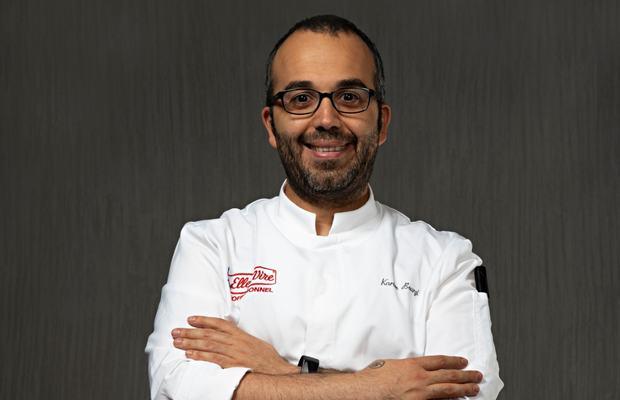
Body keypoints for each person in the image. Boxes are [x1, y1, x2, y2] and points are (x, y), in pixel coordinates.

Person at [145, 15, 503, 400]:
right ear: (271, 125)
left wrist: (282, 371)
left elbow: (467, 395)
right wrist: (379, 386)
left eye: (349, 97)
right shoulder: (211, 246)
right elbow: (178, 386)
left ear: (381, 123)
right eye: (301, 99)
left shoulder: (444, 261)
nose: (327, 119)